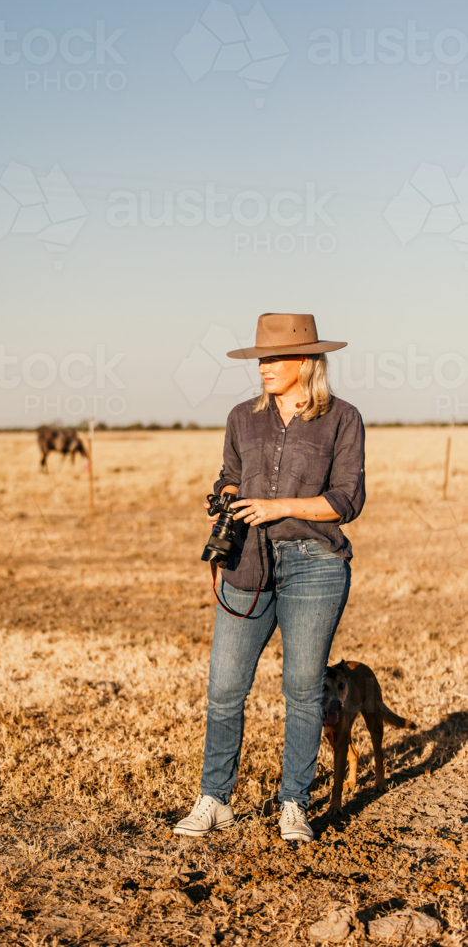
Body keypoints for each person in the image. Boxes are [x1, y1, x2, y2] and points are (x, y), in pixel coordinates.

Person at [174, 313, 365, 843]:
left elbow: (347, 501)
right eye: (260, 358)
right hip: (247, 564)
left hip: (316, 565)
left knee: (303, 691)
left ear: (306, 362)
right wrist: (228, 496)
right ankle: (215, 800)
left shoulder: (343, 419)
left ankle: (293, 805)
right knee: (224, 688)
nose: (263, 367)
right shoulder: (241, 417)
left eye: (274, 358)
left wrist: (276, 505)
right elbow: (230, 475)